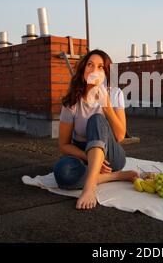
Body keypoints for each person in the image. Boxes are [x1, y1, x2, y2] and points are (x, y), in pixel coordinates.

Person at [53, 49, 139, 210]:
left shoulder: (114, 94)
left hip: (111, 156)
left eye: (100, 67)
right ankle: (116, 176)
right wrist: (89, 157)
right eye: (90, 65)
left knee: (96, 119)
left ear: (105, 73)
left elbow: (120, 136)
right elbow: (63, 145)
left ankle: (89, 186)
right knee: (62, 173)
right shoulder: (72, 101)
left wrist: (106, 106)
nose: (94, 70)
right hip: (82, 152)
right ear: (83, 70)